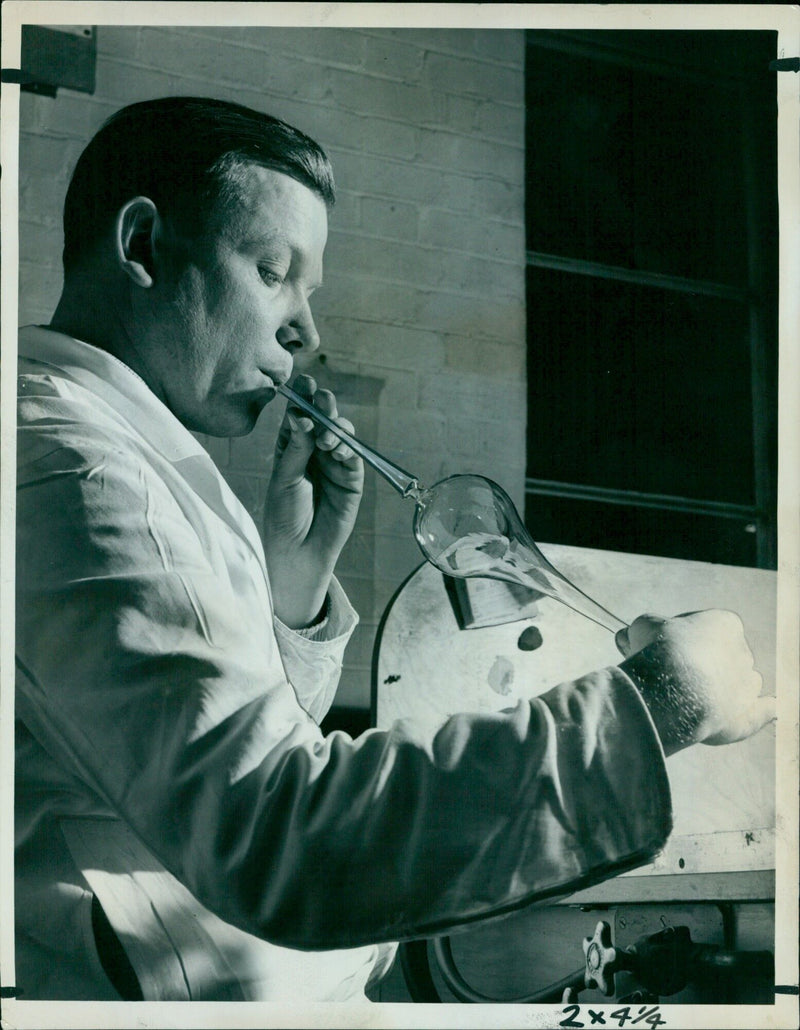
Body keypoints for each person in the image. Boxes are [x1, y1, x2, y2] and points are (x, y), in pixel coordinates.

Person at [14, 96, 775, 1003]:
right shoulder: (79, 469)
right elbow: (278, 834)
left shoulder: (118, 450)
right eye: (271, 271)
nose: (307, 331)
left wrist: (291, 587)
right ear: (142, 246)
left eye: (310, 291)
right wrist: (661, 705)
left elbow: (184, 762)